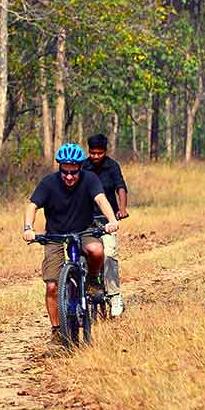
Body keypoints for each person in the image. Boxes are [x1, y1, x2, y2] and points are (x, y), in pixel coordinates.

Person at [23, 143, 119, 344]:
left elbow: (101, 200)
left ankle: (93, 281)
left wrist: (111, 221)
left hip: (84, 230)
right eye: (65, 172)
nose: (69, 177)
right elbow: (32, 205)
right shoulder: (49, 183)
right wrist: (28, 228)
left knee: (96, 250)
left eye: (73, 172)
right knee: (51, 286)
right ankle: (57, 330)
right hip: (55, 235)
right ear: (60, 168)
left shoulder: (90, 179)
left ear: (80, 169)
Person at [84, 133, 129, 317]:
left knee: (109, 254)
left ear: (105, 151)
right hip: (85, 218)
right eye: (93, 153)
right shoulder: (83, 167)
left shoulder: (112, 166)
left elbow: (121, 187)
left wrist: (122, 209)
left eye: (99, 153)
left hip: (106, 219)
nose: (96, 156)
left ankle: (114, 294)